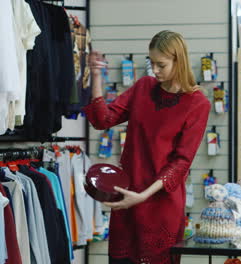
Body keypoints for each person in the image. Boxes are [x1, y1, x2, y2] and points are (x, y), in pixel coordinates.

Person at [84, 30, 211, 264]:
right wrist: (96, 76)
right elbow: (103, 120)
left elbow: (181, 162)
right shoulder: (143, 87)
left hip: (160, 205)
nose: (155, 70)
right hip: (127, 197)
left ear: (178, 60)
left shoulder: (197, 103)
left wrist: (142, 196)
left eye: (161, 64)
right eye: (151, 63)